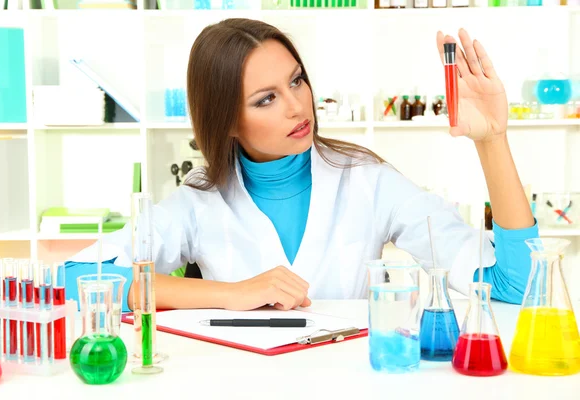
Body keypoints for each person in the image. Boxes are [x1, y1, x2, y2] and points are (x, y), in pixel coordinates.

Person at [66, 19, 537, 313]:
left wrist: (493, 140)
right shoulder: (199, 200)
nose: (297, 106)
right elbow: (75, 277)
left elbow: (514, 285)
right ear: (227, 120)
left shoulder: (366, 180)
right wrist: (234, 293)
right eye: (266, 98)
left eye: (296, 81)